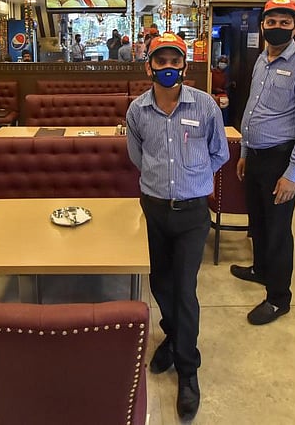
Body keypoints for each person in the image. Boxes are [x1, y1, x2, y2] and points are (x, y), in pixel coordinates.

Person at [126, 32, 228, 420]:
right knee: (160, 283)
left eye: (174, 61)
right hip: (153, 209)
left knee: (184, 288)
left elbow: (219, 152)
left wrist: (193, 178)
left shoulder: (205, 106)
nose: (167, 67)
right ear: (148, 66)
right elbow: (137, 156)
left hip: (191, 214)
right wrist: (161, 182)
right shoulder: (137, 111)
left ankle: (188, 369)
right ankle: (172, 335)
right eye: (160, 61)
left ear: (185, 66)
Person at [231, 0, 295, 326]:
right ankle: (260, 269)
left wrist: (293, 174)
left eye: (285, 22)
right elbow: (252, 109)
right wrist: (245, 152)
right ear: (262, 26)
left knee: (278, 231)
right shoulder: (262, 59)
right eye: (271, 22)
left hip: (280, 159)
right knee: (257, 221)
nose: (277, 27)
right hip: (255, 156)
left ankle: (278, 298)